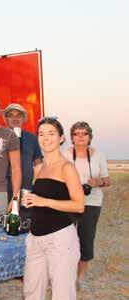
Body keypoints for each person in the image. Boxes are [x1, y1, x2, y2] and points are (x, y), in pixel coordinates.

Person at [0, 117, 84, 300]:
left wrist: (43, 201)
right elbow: (40, 202)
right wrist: (30, 202)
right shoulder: (40, 168)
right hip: (36, 238)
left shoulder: (67, 168)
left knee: (62, 295)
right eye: (42, 134)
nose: (46, 138)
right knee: (32, 289)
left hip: (61, 240)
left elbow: (79, 205)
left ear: (61, 138)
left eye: (51, 133)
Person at [62, 121, 111, 285]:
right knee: (64, 238)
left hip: (91, 202)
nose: (80, 137)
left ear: (90, 136)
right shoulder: (65, 154)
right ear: (72, 137)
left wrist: (98, 182)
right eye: (76, 134)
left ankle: (79, 278)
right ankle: (65, 274)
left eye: (84, 133)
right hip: (69, 201)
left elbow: (107, 180)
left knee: (86, 239)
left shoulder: (99, 155)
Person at [3, 103, 43, 200]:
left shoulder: (32, 138)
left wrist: (37, 185)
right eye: (11, 115)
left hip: (26, 189)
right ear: (5, 119)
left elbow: (38, 163)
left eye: (18, 115)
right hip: (3, 189)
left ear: (24, 119)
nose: (15, 118)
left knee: (25, 210)